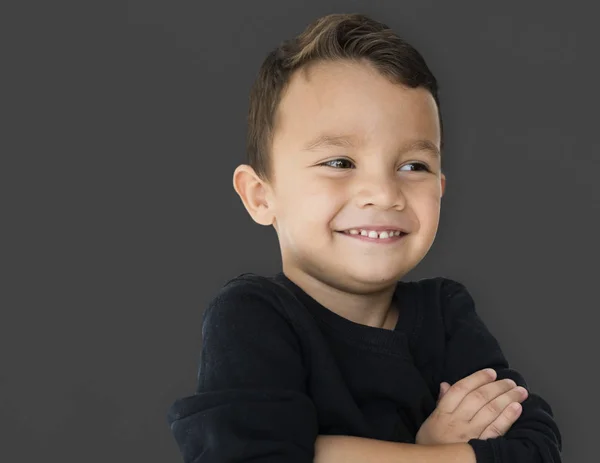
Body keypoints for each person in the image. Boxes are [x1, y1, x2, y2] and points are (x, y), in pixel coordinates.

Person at [166, 13, 562, 462]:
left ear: (441, 188)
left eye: (414, 166)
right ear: (261, 196)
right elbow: (247, 455)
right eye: (339, 162)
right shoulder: (253, 317)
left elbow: (536, 449)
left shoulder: (446, 315)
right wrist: (429, 451)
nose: (383, 194)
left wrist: (321, 452)